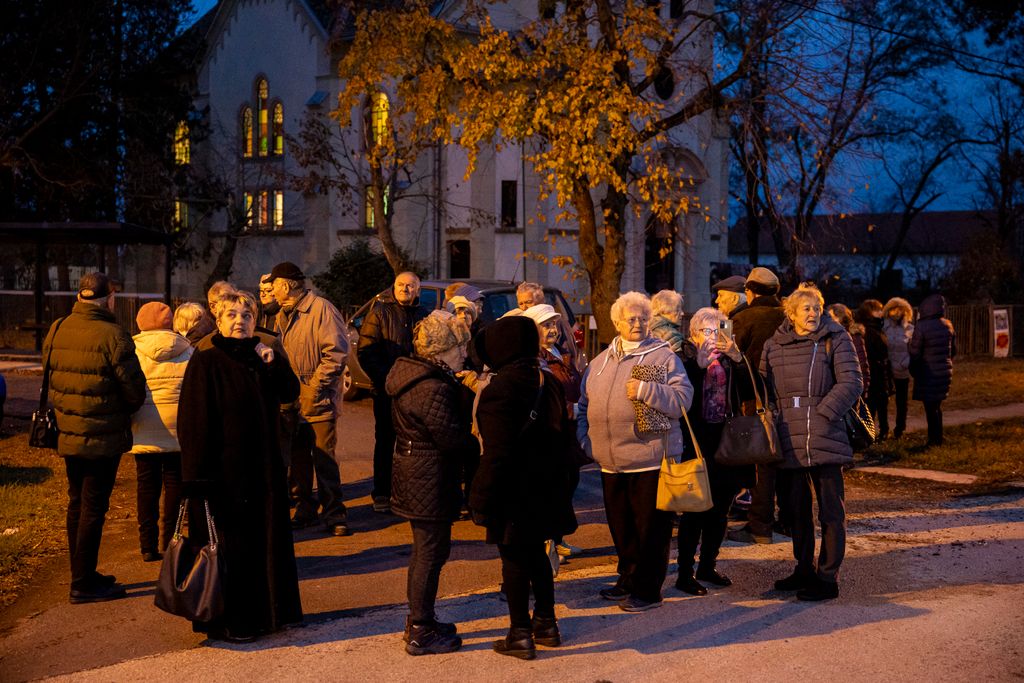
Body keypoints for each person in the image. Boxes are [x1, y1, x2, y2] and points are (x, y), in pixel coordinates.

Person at [177, 290, 302, 643]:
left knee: (264, 543)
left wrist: (273, 362)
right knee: (231, 549)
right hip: (224, 477)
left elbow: (290, 391)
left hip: (263, 470)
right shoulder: (206, 360)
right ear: (218, 320)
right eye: (231, 315)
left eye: (246, 316)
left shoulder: (260, 354)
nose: (239, 322)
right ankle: (232, 620)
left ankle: (269, 614)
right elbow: (193, 422)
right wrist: (196, 478)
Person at [577, 292, 693, 612]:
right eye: (631, 318)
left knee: (652, 529)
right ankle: (628, 577)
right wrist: (587, 443)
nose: (638, 323)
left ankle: (648, 589)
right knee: (621, 526)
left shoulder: (664, 357)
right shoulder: (600, 362)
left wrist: (645, 390)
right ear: (616, 323)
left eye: (643, 317)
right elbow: (583, 406)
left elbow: (684, 399)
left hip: (650, 459)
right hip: (610, 462)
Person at [471, 316, 577, 660]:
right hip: (547, 485)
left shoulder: (500, 388)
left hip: (514, 489)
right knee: (539, 554)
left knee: (515, 559)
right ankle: (546, 622)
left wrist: (480, 496)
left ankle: (519, 633)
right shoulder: (546, 379)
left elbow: (496, 453)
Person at [42, 272, 146, 603]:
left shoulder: (58, 327)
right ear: (109, 298)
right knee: (93, 505)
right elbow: (133, 389)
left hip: (68, 431)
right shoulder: (114, 335)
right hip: (103, 435)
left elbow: (49, 372)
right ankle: (83, 583)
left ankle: (81, 573)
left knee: (76, 501)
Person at [761, 284, 862, 601]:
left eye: (817, 308)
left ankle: (827, 577)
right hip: (788, 436)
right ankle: (803, 568)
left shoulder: (836, 339)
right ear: (790, 313)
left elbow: (852, 382)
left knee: (831, 511)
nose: (813, 313)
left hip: (825, 434)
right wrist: (774, 416)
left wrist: (823, 413)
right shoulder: (773, 345)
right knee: (796, 511)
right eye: (806, 308)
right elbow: (763, 386)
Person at [386, 311, 477, 656]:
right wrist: (477, 442)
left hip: (415, 470)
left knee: (427, 550)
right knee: (430, 552)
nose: (464, 354)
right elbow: (451, 438)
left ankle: (421, 619)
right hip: (429, 475)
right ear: (441, 352)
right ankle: (421, 628)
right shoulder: (432, 387)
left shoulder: (413, 375)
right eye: (459, 347)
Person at [270, 261, 350, 536]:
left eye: (274, 285)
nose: (271, 290)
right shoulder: (282, 314)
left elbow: (336, 354)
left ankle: (334, 514)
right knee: (299, 458)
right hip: (292, 400)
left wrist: (314, 389)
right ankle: (306, 509)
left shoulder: (322, 310)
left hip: (318, 400)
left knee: (324, 458)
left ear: (285, 285)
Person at [675, 307, 744, 596]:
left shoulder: (731, 359)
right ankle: (684, 573)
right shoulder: (682, 359)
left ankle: (708, 566)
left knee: (720, 511)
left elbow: (754, 393)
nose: (713, 337)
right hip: (697, 442)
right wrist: (698, 368)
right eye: (706, 331)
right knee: (694, 511)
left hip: (726, 442)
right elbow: (679, 400)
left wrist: (739, 359)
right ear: (693, 334)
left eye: (717, 331)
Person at [358, 271, 429, 513]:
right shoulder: (379, 312)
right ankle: (382, 493)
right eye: (401, 285)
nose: (405, 289)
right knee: (386, 441)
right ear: (393, 286)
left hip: (414, 391)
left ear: (417, 290)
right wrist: (388, 379)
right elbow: (367, 352)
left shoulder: (423, 315)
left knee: (413, 444)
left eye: (410, 286)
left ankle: (406, 494)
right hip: (386, 390)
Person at [128, 302, 192, 563]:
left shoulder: (132, 350)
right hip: (178, 425)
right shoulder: (188, 350)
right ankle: (171, 540)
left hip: (143, 425)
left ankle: (147, 545)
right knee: (175, 483)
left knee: (146, 485)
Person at [728, 266, 788, 544]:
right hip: (789, 397)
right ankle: (788, 520)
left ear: (750, 292)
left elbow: (734, 358)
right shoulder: (788, 316)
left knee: (761, 463)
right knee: (787, 461)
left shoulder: (745, 318)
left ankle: (759, 524)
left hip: (756, 398)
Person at [522, 303, 586, 559]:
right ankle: (547, 543)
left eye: (555, 325)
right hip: (552, 433)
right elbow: (546, 401)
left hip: (568, 434)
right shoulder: (536, 359)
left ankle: (557, 538)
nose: (553, 330)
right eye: (546, 325)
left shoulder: (559, 353)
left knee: (568, 484)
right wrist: (575, 409)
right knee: (552, 491)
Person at [909, 294, 956, 447]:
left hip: (928, 372)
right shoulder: (947, 324)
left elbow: (915, 352)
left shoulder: (922, 326)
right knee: (937, 406)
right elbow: (953, 350)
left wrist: (913, 367)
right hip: (944, 371)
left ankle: (933, 440)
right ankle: (938, 437)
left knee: (930, 408)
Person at [855, 299, 892, 440]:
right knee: (873, 405)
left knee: (880, 404)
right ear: (870, 312)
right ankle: (871, 433)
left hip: (879, 371)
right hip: (874, 371)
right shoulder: (868, 330)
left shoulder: (877, 327)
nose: (881, 312)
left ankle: (881, 431)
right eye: (878, 309)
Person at [883, 297, 915, 439]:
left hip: (902, 369)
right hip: (887, 370)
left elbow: (913, 349)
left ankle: (900, 428)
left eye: (900, 309)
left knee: (902, 401)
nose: (896, 312)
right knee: (883, 401)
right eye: (893, 309)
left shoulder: (910, 329)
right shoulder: (884, 328)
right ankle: (883, 429)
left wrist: (907, 362)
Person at [827, 303, 870, 398]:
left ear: (842, 318)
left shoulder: (854, 337)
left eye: (833, 317)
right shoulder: (828, 337)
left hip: (852, 389)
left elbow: (862, 364)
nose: (830, 320)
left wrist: (862, 389)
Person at [649, 289, 685, 353]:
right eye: (677, 310)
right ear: (665, 311)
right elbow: (680, 361)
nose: (682, 313)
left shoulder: (646, 330)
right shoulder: (672, 335)